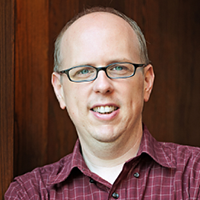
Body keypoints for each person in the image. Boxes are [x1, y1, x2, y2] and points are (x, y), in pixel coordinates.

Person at [5, 7, 200, 199]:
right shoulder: (30, 193)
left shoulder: (195, 176)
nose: (102, 86)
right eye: (83, 71)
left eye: (118, 67)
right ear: (60, 90)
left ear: (147, 82)